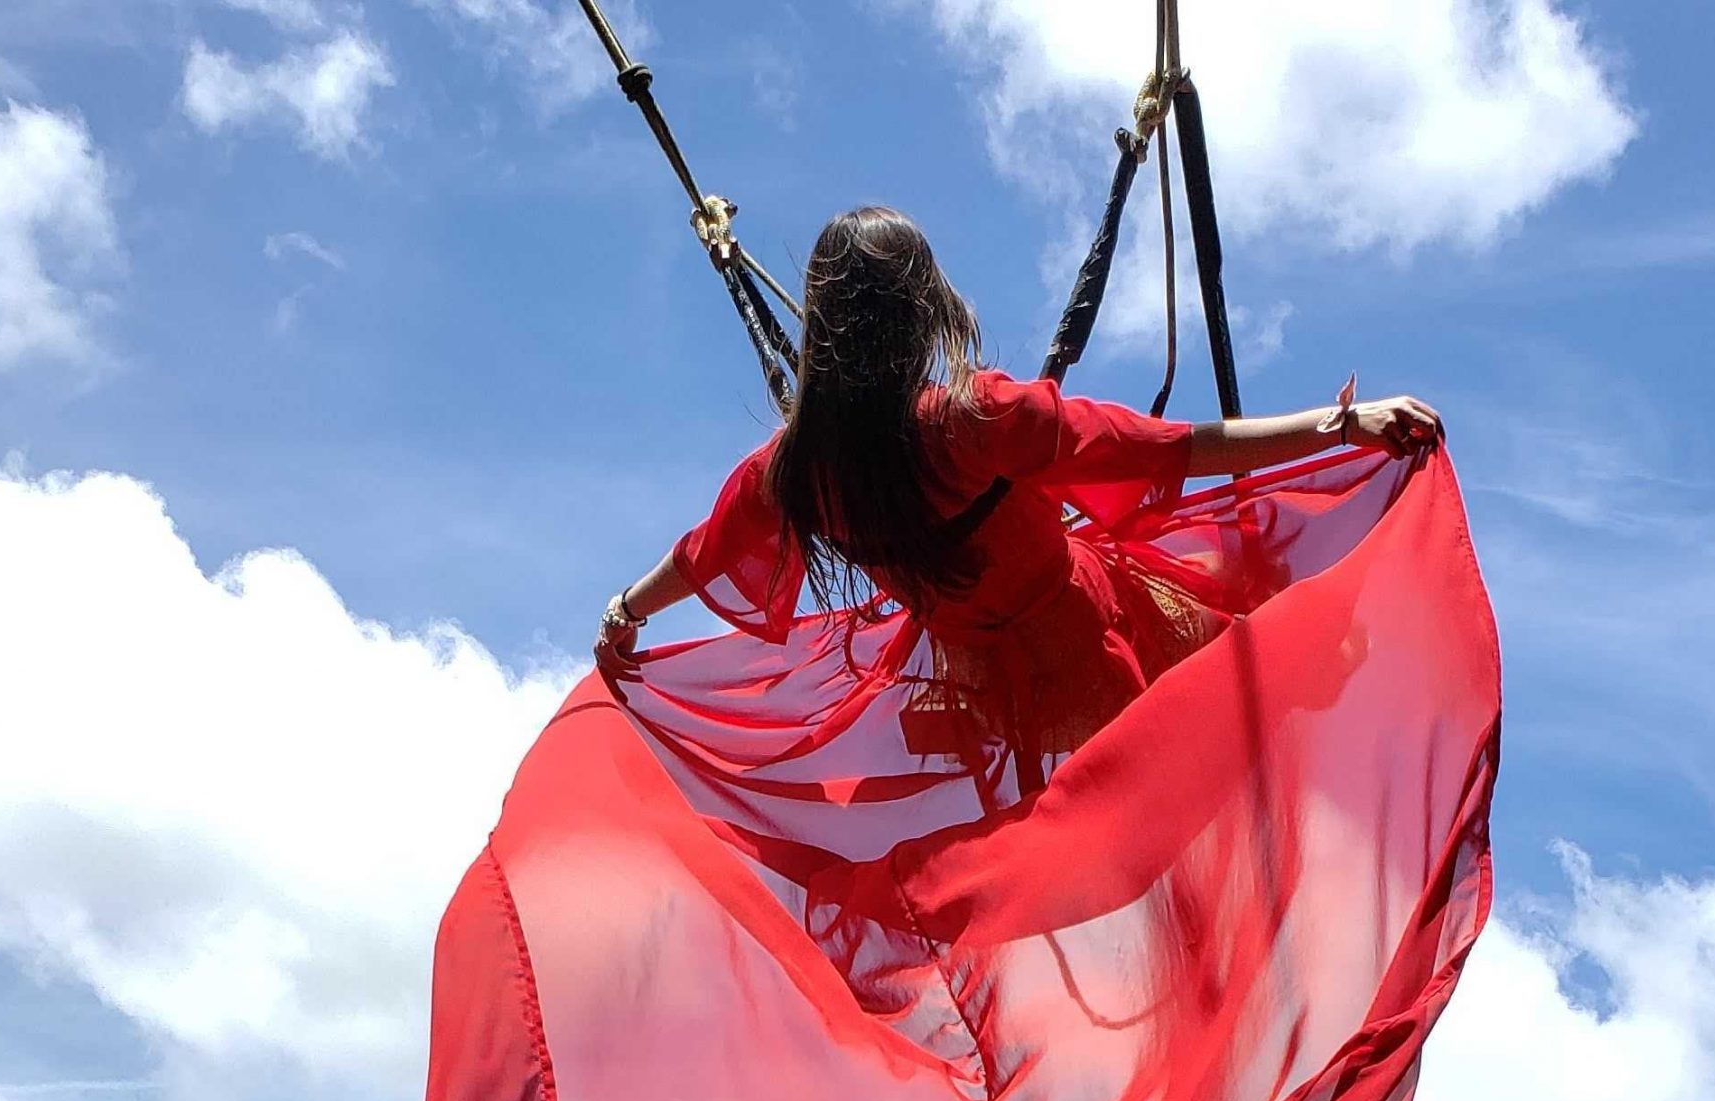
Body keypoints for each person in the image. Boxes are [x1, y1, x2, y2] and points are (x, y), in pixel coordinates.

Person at [596, 205, 1442, 773]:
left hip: (988, 694)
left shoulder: (793, 473)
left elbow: (701, 558)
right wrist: (1339, 428)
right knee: (1264, 699)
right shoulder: (981, 419)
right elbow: (1170, 451)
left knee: (1110, 839)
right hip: (1093, 635)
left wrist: (627, 611)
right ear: (925, 311)